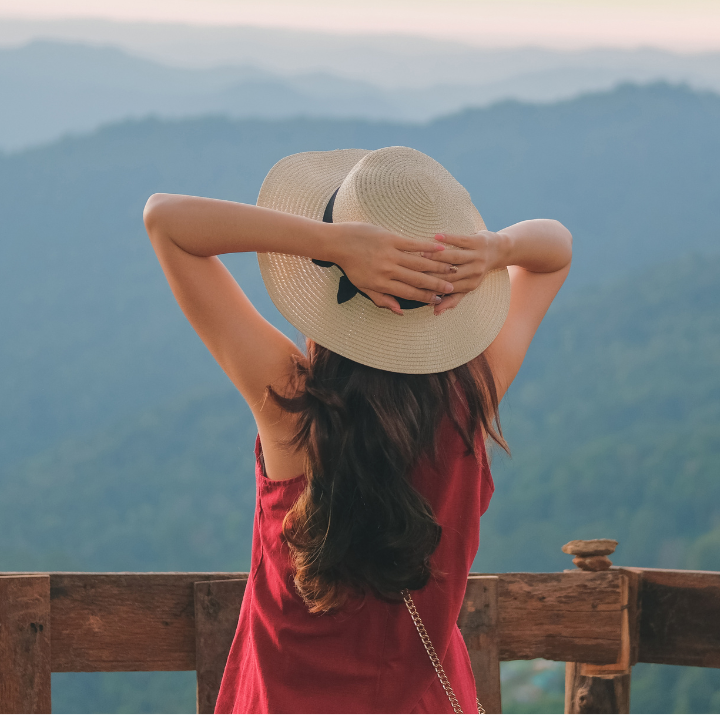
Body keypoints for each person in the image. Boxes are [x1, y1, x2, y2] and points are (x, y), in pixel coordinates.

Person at [143, 146, 572, 714]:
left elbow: (166, 221)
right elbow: (555, 251)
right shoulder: (470, 397)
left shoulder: (291, 404)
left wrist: (333, 245)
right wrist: (496, 249)